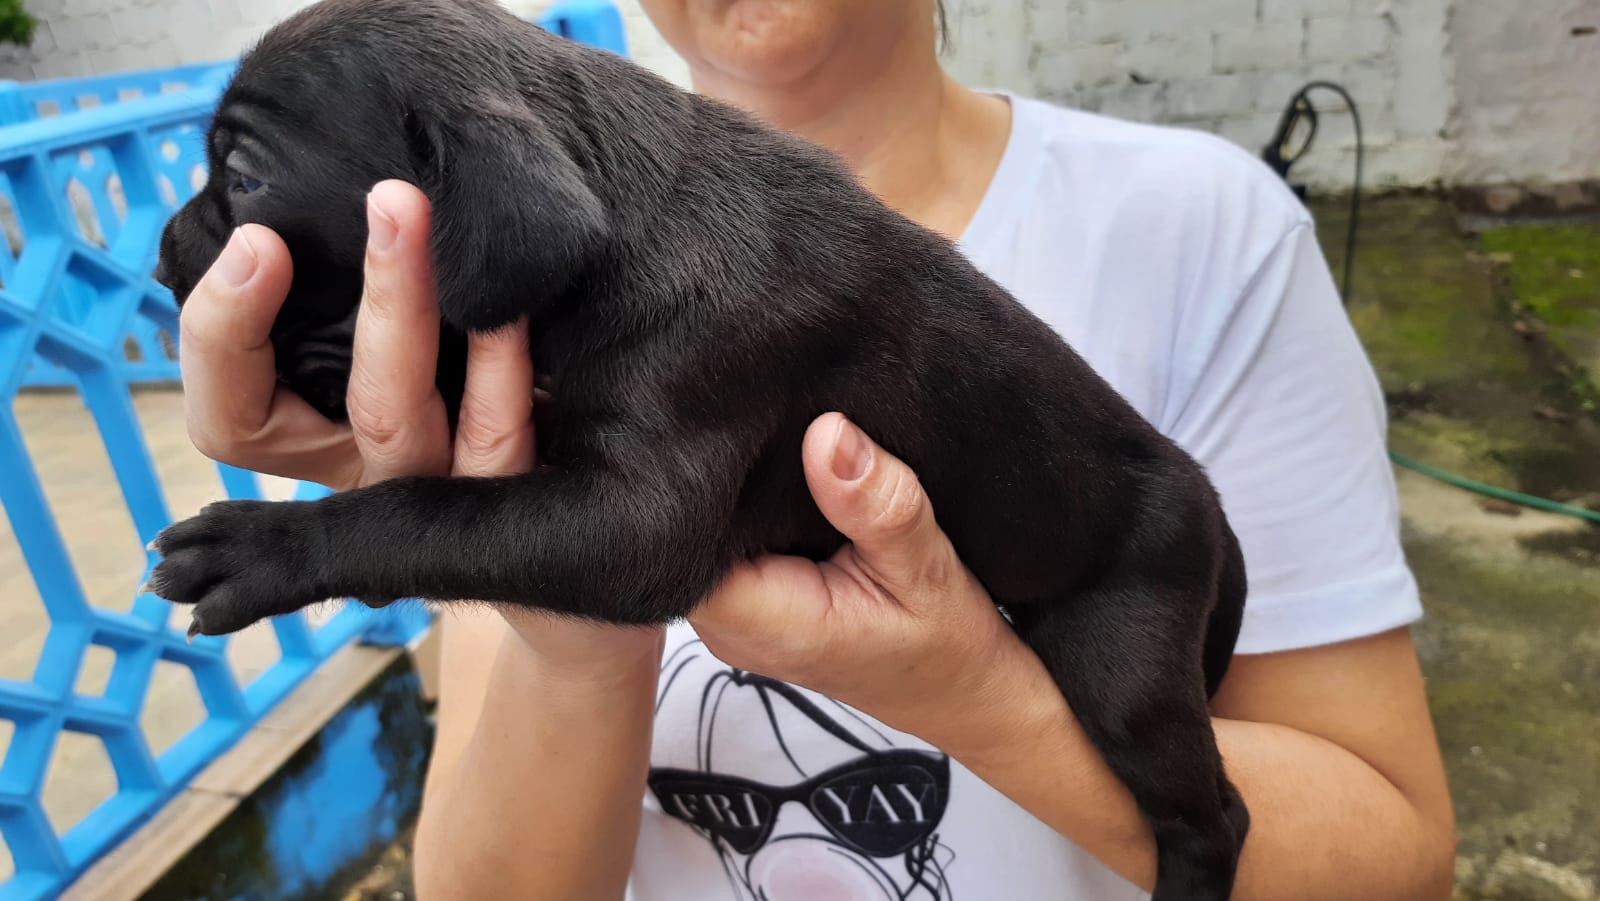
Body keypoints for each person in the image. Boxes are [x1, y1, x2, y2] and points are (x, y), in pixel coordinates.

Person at [175, 1, 1457, 898]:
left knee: (1159, 749)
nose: (213, 233)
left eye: (244, 174)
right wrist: (556, 637)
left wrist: (323, 543)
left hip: (1113, 549)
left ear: (483, 232)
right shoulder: (543, 293)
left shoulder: (1207, 236)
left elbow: (1399, 858)